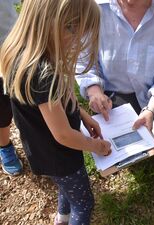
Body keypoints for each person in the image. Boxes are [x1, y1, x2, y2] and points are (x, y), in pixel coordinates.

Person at [0, 0, 112, 224]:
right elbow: (63, 135)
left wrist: (81, 114)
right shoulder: (44, 74)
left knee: (65, 187)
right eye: (75, 32)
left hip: (43, 151)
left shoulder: (23, 54)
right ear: (56, 25)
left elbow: (61, 100)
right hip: (61, 155)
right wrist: (95, 146)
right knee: (84, 203)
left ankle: (62, 217)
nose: (77, 43)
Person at [75, 0, 154, 161]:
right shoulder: (94, 8)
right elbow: (83, 60)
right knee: (127, 150)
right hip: (117, 94)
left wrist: (151, 109)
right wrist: (94, 91)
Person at [0, 0, 23, 175]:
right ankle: (5, 145)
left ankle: (43, 147)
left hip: (14, 47)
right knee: (1, 112)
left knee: (30, 101)